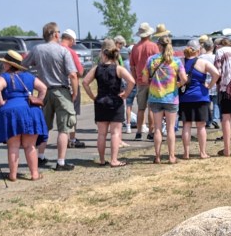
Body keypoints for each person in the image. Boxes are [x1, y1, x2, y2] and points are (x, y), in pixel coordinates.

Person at [22, 22, 79, 170]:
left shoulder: (37, 50)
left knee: (44, 126)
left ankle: (40, 156)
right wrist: (75, 92)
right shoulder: (63, 51)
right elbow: (72, 74)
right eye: (58, 32)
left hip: (44, 90)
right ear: (55, 34)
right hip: (61, 90)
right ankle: (61, 161)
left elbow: (23, 65)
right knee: (64, 128)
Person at [0, 50, 48, 181]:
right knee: (30, 145)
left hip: (11, 112)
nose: (3, 65)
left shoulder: (4, 77)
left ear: (8, 65)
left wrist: (0, 102)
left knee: (13, 145)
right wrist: (38, 100)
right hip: (31, 111)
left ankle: (13, 175)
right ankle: (34, 174)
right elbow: (43, 88)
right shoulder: (28, 76)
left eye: (5, 63)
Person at [81, 39, 133, 167]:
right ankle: (114, 160)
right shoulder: (119, 69)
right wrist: (126, 93)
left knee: (101, 134)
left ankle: (102, 159)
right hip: (115, 102)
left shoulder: (96, 69)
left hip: (101, 102)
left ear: (103, 54)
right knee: (115, 133)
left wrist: (93, 96)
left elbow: (85, 82)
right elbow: (132, 81)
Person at [143, 34, 184, 164]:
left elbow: (144, 78)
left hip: (155, 97)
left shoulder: (151, 60)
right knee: (171, 128)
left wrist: (152, 82)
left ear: (159, 46)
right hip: (171, 98)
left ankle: (157, 156)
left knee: (158, 128)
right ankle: (172, 156)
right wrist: (178, 85)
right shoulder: (176, 61)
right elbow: (184, 78)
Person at [178, 38, 219, 159]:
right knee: (201, 126)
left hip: (185, 97)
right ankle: (202, 152)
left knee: (186, 125)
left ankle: (186, 153)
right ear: (198, 50)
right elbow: (216, 74)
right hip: (201, 96)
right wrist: (209, 86)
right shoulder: (203, 62)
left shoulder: (181, 62)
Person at [129, 22, 159, 141]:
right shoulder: (153, 46)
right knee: (151, 108)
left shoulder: (135, 48)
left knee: (141, 108)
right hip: (152, 80)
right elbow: (158, 63)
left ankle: (139, 131)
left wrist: (135, 78)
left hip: (141, 81)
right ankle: (151, 131)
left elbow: (132, 66)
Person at [60, 28, 87, 150]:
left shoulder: (53, 49)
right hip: (70, 86)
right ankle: (71, 138)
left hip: (53, 87)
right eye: (74, 41)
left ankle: (61, 138)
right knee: (72, 114)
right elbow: (79, 72)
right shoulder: (70, 52)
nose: (74, 44)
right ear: (70, 39)